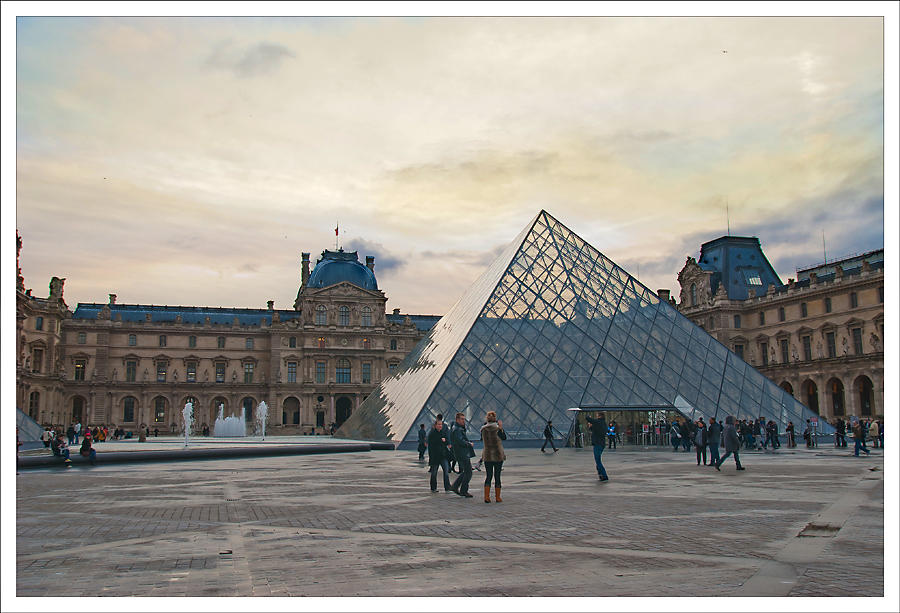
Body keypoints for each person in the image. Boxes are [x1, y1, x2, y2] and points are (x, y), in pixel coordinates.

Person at [480, 411, 507, 503]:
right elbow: (504, 437)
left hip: (487, 454)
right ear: (495, 419)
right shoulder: (497, 429)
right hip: (497, 453)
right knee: (497, 475)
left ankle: (486, 497)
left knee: (488, 475)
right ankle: (497, 497)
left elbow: (481, 439)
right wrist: (501, 427)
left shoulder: (483, 429)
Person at [450, 412, 475, 498]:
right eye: (462, 419)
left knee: (466, 471)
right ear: (457, 419)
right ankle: (463, 490)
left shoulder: (457, 428)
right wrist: (468, 444)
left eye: (464, 419)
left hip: (460, 453)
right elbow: (460, 441)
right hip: (462, 453)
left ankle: (455, 486)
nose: (464, 421)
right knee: (468, 472)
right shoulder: (457, 429)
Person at [427, 419, 453, 492]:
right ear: (435, 425)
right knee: (434, 472)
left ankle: (447, 486)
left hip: (442, 455)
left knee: (446, 470)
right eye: (438, 424)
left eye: (441, 425)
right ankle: (433, 487)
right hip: (435, 456)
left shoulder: (442, 433)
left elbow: (447, 442)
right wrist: (431, 457)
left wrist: (445, 441)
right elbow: (431, 447)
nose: (440, 426)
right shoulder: (432, 434)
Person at [584, 412, 609, 481]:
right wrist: (591, 427)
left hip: (597, 444)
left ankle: (604, 475)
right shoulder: (604, 424)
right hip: (602, 444)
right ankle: (600, 474)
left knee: (598, 461)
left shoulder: (598, 422)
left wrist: (588, 415)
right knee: (598, 460)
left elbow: (588, 419)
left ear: (599, 416)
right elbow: (597, 431)